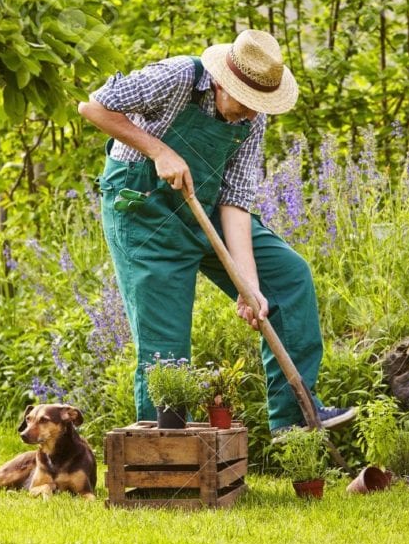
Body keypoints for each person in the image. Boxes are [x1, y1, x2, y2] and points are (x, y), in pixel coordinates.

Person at [78, 29, 354, 436]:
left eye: (259, 107)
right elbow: (95, 106)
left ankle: (296, 421)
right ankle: (165, 457)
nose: (250, 114)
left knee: (287, 278)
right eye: (246, 102)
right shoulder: (176, 77)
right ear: (224, 81)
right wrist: (158, 150)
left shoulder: (251, 119)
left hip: (205, 208)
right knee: (165, 344)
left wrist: (249, 285)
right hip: (144, 210)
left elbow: (236, 201)